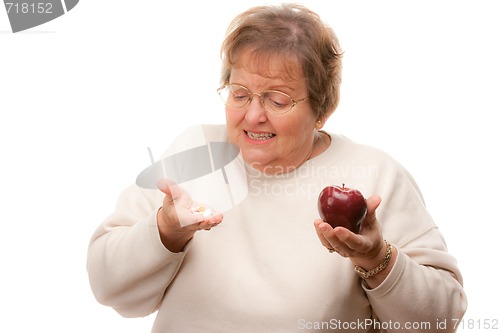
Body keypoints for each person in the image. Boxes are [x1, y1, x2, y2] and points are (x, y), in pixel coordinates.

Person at [87, 4, 466, 332]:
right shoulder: (197, 150)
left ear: (322, 111)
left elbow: (440, 319)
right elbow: (107, 287)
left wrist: (376, 259)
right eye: (239, 94)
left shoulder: (374, 174)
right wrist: (164, 231)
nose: (253, 115)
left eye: (278, 100)